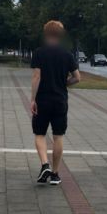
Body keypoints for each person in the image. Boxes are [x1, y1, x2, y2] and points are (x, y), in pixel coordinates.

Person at [31, 20, 81, 186]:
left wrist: (32, 99)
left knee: (39, 134)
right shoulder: (67, 54)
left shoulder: (39, 53)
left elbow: (37, 77)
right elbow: (77, 78)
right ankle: (55, 173)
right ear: (60, 35)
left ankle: (45, 163)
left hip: (43, 100)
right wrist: (64, 83)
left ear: (46, 34)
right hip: (60, 100)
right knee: (58, 136)